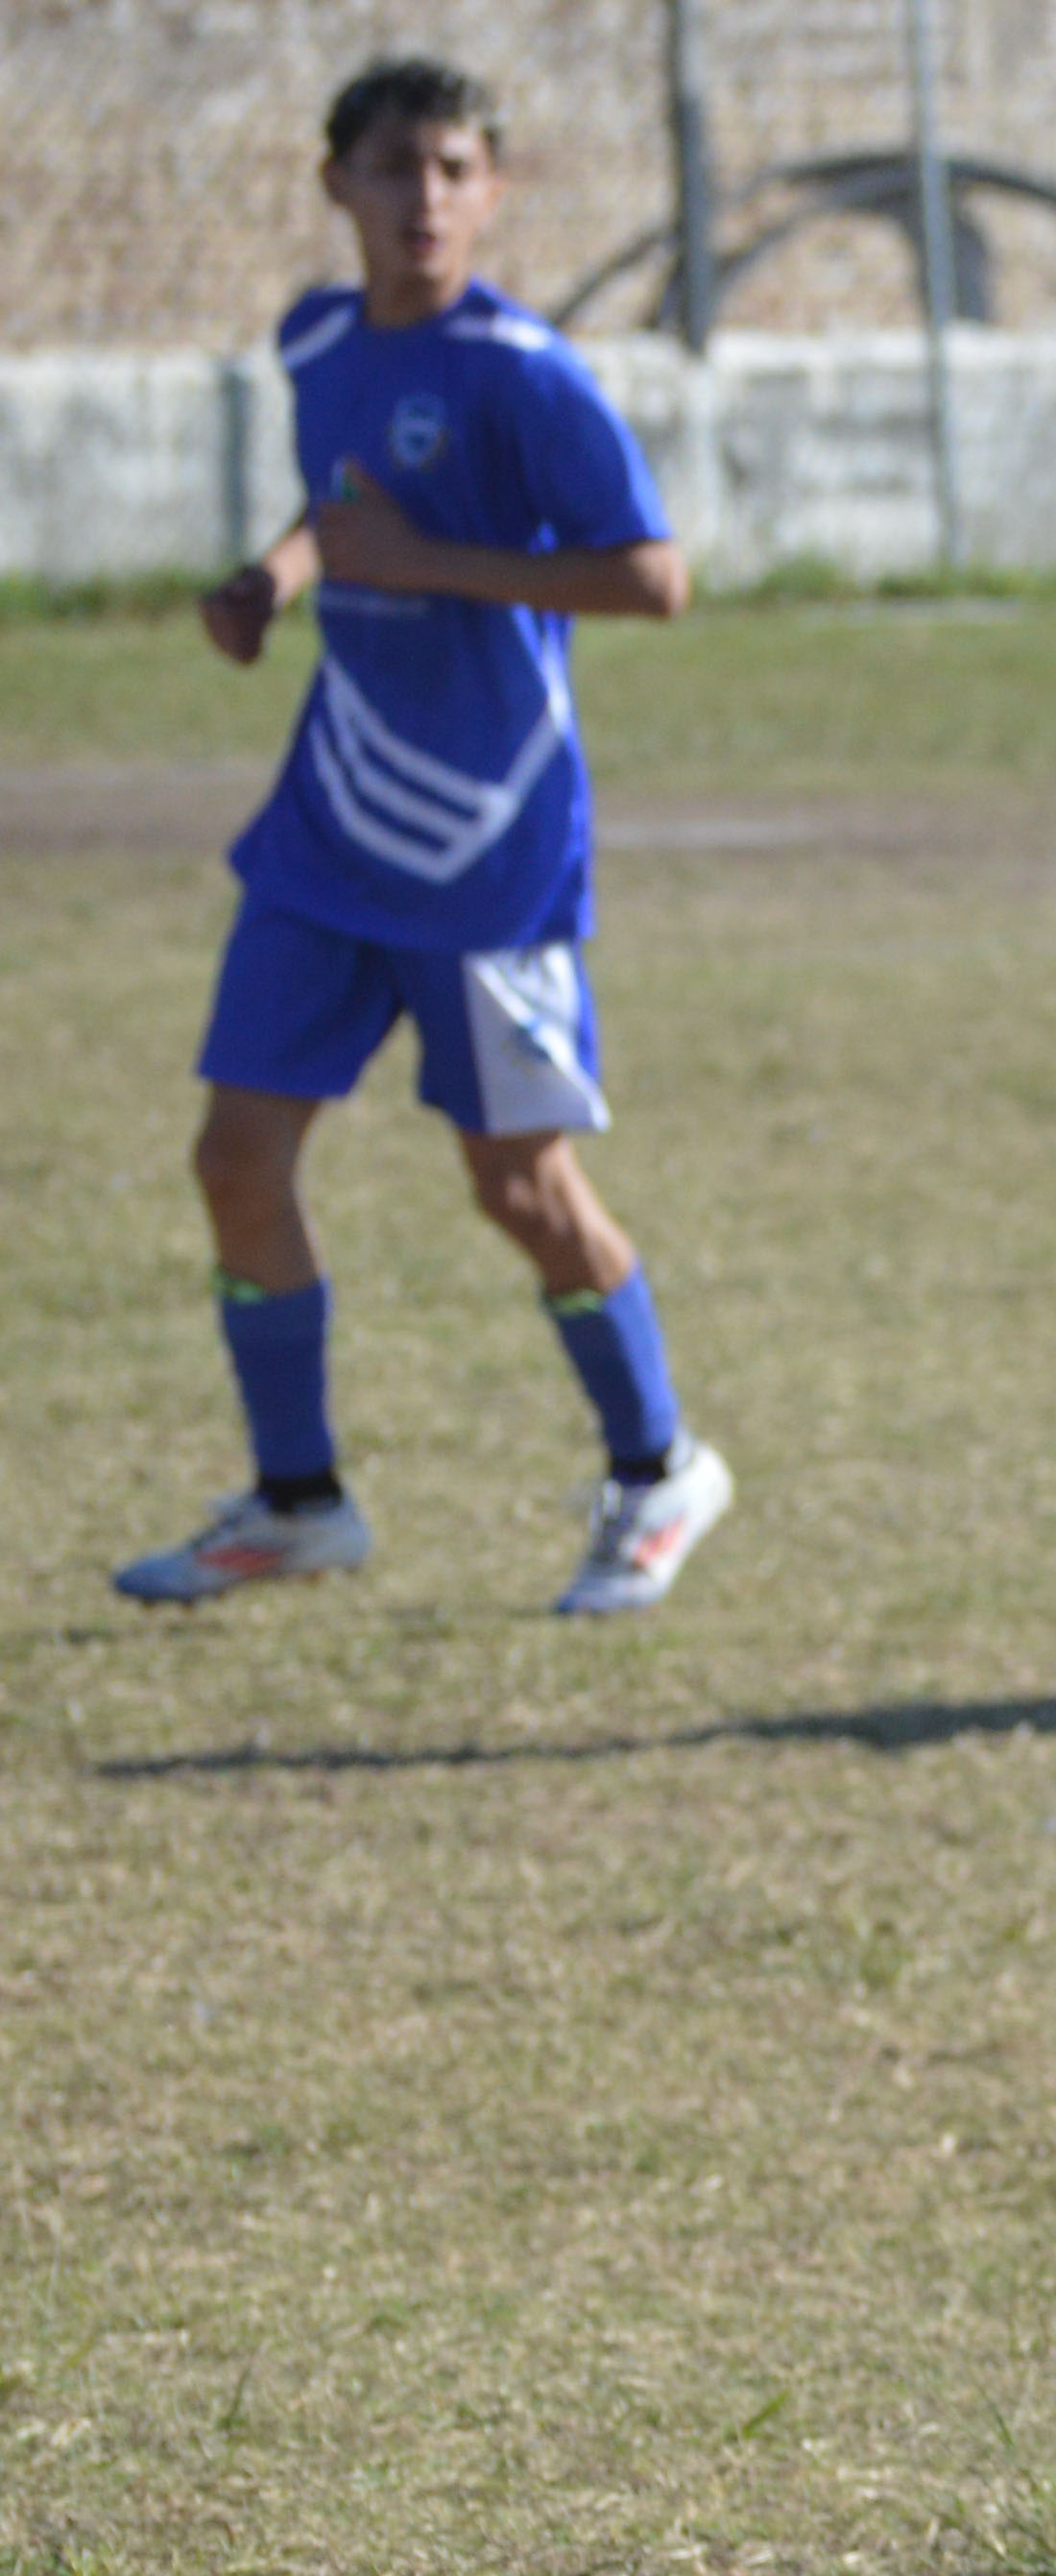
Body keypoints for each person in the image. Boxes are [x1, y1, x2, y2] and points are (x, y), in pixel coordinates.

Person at [118, 57, 725, 1617]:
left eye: (456, 171)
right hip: (328, 829)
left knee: (521, 1190)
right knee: (235, 1160)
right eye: (395, 169)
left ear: (494, 191)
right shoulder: (317, 341)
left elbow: (653, 580)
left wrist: (429, 563)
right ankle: (298, 1500)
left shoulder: (524, 375)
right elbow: (346, 505)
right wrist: (274, 579)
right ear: (337, 184)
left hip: (488, 849)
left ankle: (659, 1467)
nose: (426, 200)